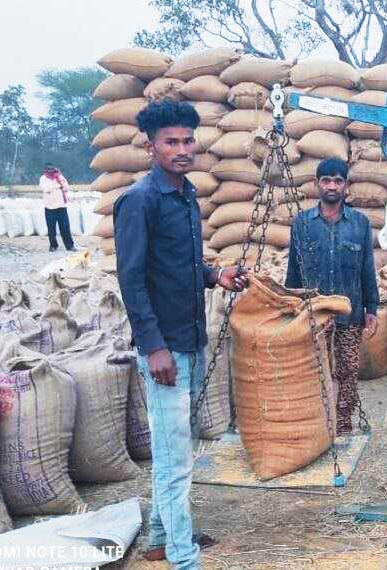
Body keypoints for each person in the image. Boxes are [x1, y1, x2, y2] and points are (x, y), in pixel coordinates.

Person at [114, 100, 249, 570]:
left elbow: (179, 267)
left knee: (176, 449)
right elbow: (131, 280)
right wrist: (153, 347)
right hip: (164, 348)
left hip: (190, 340)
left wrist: (216, 276)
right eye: (171, 141)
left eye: (188, 140)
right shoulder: (140, 200)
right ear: (151, 147)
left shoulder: (187, 196)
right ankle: (182, 557)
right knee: (175, 462)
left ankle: (158, 538)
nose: (182, 149)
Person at [285, 157, 379, 435]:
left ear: (346, 186)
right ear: (317, 184)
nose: (332, 186)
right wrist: (290, 305)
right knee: (314, 369)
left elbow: (367, 269)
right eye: (326, 180)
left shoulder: (359, 223)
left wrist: (371, 307)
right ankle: (316, 424)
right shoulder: (301, 223)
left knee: (348, 370)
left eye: (338, 181)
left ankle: (343, 424)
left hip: (349, 313)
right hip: (313, 313)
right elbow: (294, 269)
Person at [39, 163, 76, 252]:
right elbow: (46, 189)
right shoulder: (43, 178)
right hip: (50, 207)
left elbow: (66, 188)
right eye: (49, 170)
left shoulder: (59, 176)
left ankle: (70, 246)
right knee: (51, 228)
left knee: (65, 228)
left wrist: (59, 184)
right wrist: (58, 186)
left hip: (61, 206)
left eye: (53, 170)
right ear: (46, 170)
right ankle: (53, 245)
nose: (51, 172)